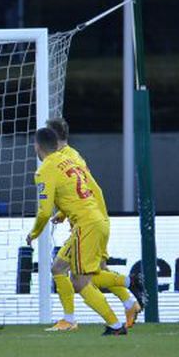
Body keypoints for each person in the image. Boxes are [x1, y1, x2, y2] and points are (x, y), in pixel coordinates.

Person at [42, 117, 144, 330]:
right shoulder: (70, 155)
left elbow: (87, 190)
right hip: (93, 218)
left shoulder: (65, 158)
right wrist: (63, 213)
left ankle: (72, 319)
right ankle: (129, 303)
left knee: (65, 270)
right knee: (92, 268)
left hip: (90, 221)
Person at [26, 127, 127, 336]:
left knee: (81, 282)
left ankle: (121, 307)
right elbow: (89, 191)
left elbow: (44, 212)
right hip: (95, 219)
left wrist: (34, 233)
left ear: (37, 146)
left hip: (85, 225)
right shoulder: (71, 161)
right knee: (58, 267)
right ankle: (70, 319)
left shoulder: (45, 170)